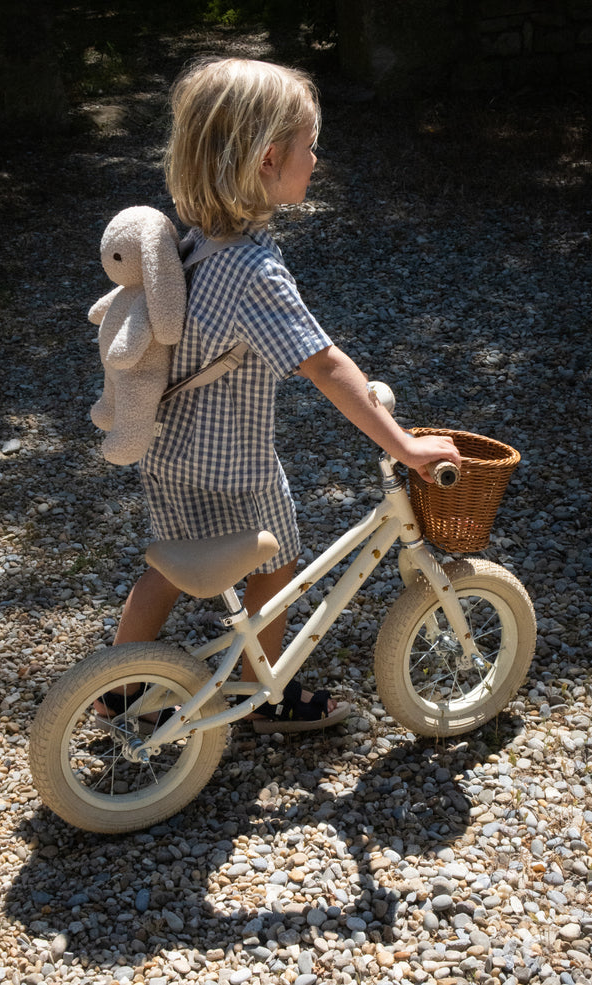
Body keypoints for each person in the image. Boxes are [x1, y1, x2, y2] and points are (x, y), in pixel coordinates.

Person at [95, 57, 461, 733]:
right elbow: (322, 365)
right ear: (268, 161)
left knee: (170, 562)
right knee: (277, 559)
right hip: (235, 462)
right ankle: (265, 696)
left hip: (168, 446)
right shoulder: (255, 268)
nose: (315, 159)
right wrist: (403, 444)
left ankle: (113, 688)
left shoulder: (191, 241)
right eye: (307, 147)